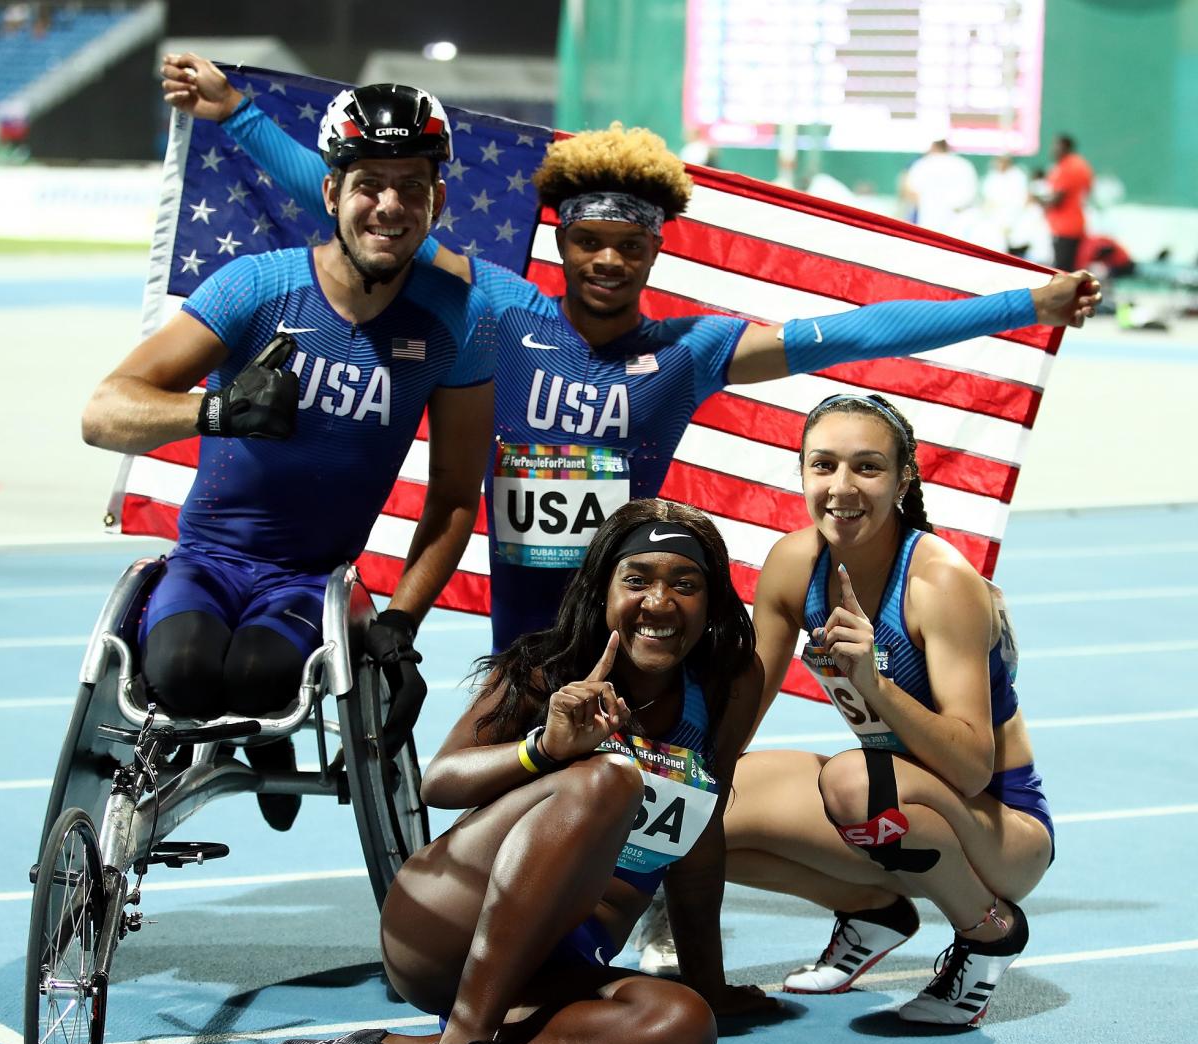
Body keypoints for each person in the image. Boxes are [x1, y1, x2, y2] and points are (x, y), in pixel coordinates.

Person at [160, 53, 1102, 655]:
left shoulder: (691, 350)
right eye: (587, 241)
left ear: (656, 251)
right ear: (561, 245)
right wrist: (237, 113)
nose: (608, 260)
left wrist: (1025, 302)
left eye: (631, 245)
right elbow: (378, 207)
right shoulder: (496, 310)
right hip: (526, 621)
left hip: (636, 616)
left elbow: (857, 332)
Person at [270, 498, 775, 1044]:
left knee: (681, 1028)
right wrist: (546, 750)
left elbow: (700, 828)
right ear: (603, 593)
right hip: (449, 928)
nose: (659, 602)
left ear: (711, 601)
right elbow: (440, 781)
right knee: (607, 780)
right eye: (637, 580)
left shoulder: (727, 681)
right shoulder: (550, 668)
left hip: (561, 968)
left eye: (685, 583)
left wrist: (711, 983)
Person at [82, 83, 496, 829]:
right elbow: (104, 412)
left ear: (437, 199)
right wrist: (215, 409)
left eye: (411, 187)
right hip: (207, 559)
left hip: (310, 582)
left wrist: (402, 623)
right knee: (179, 671)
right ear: (332, 190)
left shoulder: (454, 323)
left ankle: (264, 739)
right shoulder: (258, 287)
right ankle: (250, 742)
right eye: (370, 184)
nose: (390, 207)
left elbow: (457, 498)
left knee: (261, 675)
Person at [719, 391, 1052, 1025]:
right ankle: (873, 911)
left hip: (998, 828)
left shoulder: (940, 583)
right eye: (823, 465)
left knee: (852, 779)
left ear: (903, 478)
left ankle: (988, 931)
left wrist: (875, 683)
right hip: (886, 806)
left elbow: (974, 767)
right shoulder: (793, 565)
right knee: (697, 809)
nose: (841, 486)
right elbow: (744, 703)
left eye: (867, 467)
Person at [900, 139, 979, 240]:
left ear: (933, 147)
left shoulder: (923, 164)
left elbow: (910, 192)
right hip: (959, 226)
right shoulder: (964, 165)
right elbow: (970, 195)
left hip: (929, 223)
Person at [1039, 134, 1093, 271]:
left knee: (1062, 271)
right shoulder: (1080, 164)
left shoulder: (1068, 167)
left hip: (1065, 227)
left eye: (1055, 146)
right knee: (1069, 269)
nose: (1052, 150)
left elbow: (1057, 199)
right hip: (1074, 222)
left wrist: (1038, 200)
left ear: (1064, 147)